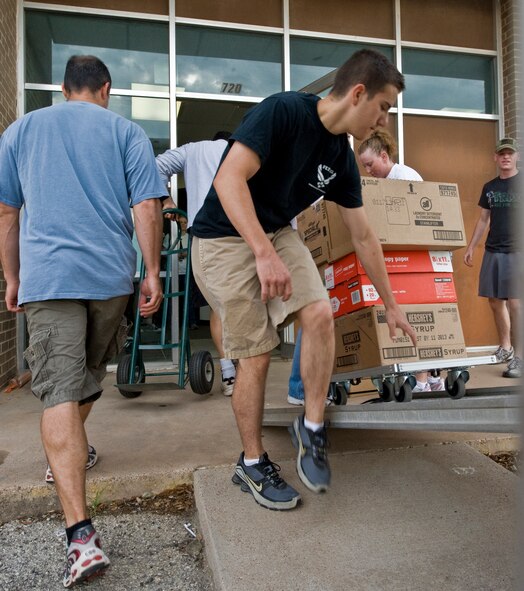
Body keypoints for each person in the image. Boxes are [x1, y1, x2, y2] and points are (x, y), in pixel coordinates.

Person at [191, 49, 417, 511]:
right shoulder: (283, 111)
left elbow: (364, 236)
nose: (383, 120)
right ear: (358, 94)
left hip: (273, 232)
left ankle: (311, 430)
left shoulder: (339, 156)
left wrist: (391, 303)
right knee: (255, 351)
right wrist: (262, 253)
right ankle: (251, 463)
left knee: (319, 314)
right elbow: (228, 180)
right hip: (221, 239)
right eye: (384, 107)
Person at [0, 55, 165, 586]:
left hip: (48, 277)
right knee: (78, 382)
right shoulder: (126, 131)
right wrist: (153, 272)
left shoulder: (21, 130)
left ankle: (77, 517)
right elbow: (146, 206)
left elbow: (7, 212)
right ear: (106, 90)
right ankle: (80, 530)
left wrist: (11, 276)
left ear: (64, 88)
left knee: (67, 387)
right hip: (108, 278)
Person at [358, 129, 444, 393]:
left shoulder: (403, 178)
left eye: (370, 164)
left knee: (412, 311)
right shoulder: (389, 181)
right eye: (364, 167)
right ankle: (430, 378)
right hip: (410, 257)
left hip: (415, 259)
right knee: (414, 311)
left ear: (384, 156)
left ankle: (422, 381)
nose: (368, 171)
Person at [156, 132, 237, 396]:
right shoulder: (240, 149)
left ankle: (228, 374)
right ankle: (243, 368)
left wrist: (166, 201)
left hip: (203, 235)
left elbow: (155, 165)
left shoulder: (193, 149)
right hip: (238, 231)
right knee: (241, 304)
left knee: (218, 305)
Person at [464, 137, 521, 378]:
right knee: (495, 302)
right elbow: (484, 219)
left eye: (510, 153)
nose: (506, 156)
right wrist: (471, 247)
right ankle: (505, 347)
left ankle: (520, 357)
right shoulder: (490, 187)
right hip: (493, 250)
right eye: (501, 153)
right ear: (495, 158)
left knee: (517, 304)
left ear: (516, 156)